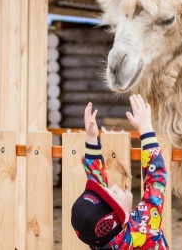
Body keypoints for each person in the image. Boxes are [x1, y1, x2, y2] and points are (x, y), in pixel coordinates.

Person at [71, 94, 169, 249]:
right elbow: (156, 178)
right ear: (119, 221)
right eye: (115, 194)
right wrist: (146, 129)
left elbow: (97, 182)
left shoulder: (100, 241)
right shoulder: (143, 230)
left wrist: (91, 138)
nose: (115, 186)